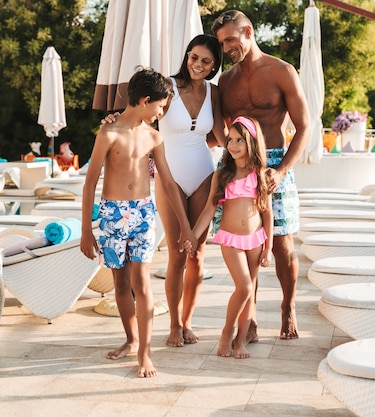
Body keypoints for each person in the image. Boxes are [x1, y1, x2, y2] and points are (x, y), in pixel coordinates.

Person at [103, 34, 228, 349]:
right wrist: (113, 118)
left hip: (203, 172)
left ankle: (187, 322)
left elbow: (222, 137)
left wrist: (251, 149)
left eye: (205, 61)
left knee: (198, 255)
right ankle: (173, 325)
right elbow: (139, 115)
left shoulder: (214, 93)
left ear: (215, 66)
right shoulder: (167, 87)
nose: (197, 64)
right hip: (167, 176)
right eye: (193, 57)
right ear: (187, 56)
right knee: (176, 254)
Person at [80, 67, 197, 378]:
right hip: (112, 214)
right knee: (120, 284)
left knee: (142, 283)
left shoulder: (153, 137)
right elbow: (90, 182)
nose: (161, 113)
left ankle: (144, 354)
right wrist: (84, 232)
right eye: (160, 106)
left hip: (144, 213)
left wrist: (185, 226)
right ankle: (131, 340)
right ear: (145, 100)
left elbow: (169, 183)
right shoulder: (109, 133)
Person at [211, 10, 311, 340]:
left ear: (249, 31)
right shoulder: (226, 81)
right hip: (240, 167)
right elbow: (217, 132)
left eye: (230, 39)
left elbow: (304, 127)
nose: (226, 48)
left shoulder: (282, 71)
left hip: (276, 163)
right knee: (244, 244)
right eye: (222, 43)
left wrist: (282, 171)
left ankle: (288, 308)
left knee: (282, 246)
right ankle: (249, 319)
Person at [186, 116, 272, 358]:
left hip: (256, 239)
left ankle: (241, 340)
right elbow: (208, 210)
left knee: (250, 290)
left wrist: (268, 247)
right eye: (230, 140)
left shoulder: (260, 175)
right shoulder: (222, 175)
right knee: (244, 287)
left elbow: (267, 213)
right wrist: (193, 235)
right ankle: (227, 332)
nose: (233, 145)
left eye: (239, 140)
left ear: (252, 142)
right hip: (231, 239)